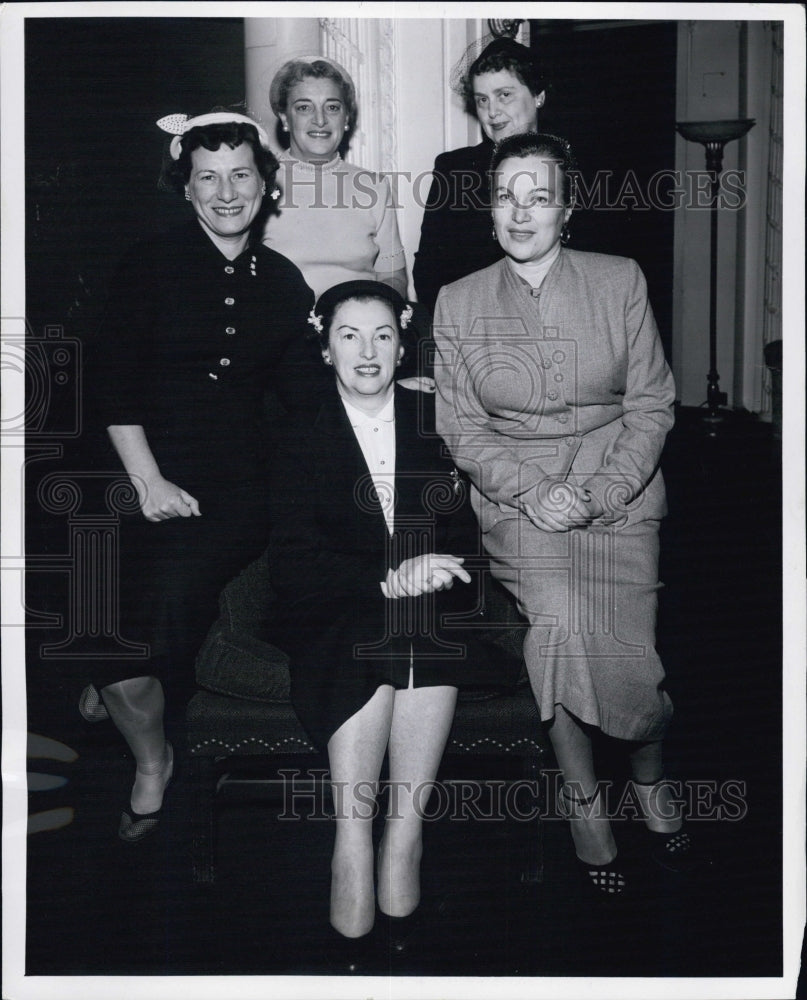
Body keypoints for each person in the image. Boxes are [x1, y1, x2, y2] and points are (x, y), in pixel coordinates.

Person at [433, 132, 693, 895]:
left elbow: (652, 403)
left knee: (628, 654)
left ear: (566, 209)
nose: (520, 213)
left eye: (538, 196)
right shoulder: (458, 301)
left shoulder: (619, 280)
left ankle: (647, 772)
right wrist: (531, 492)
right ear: (488, 211)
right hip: (518, 505)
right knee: (558, 620)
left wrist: (606, 491)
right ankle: (584, 803)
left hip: (621, 492)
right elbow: (461, 429)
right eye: (505, 196)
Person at [82, 110, 315, 842]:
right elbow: (111, 387)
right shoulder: (148, 264)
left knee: (168, 597)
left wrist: (385, 387)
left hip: (236, 485)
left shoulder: (284, 282)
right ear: (185, 187)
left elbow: (307, 397)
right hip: (133, 466)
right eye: (208, 178)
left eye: (241, 175)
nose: (226, 192)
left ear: (265, 186)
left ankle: (131, 716)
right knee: (108, 624)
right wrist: (148, 483)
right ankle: (152, 755)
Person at [267, 280, 519, 950]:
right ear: (326, 349)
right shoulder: (294, 431)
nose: (368, 351)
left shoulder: (433, 423)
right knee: (377, 622)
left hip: (429, 606)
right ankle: (352, 840)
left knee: (420, 621)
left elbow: (462, 538)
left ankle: (404, 835)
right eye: (348, 336)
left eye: (382, 335)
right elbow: (293, 563)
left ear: (403, 345)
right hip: (329, 605)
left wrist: (430, 569)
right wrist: (386, 579)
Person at [413, 37, 546, 313]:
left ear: (538, 95)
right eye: (482, 100)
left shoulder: (572, 166)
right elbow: (428, 273)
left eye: (504, 95)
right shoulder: (454, 170)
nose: (492, 112)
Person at [263, 57, 407, 299]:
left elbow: (393, 277)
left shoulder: (374, 187)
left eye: (332, 107)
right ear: (285, 118)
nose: (320, 120)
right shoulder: (259, 183)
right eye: (304, 108)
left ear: (346, 117)